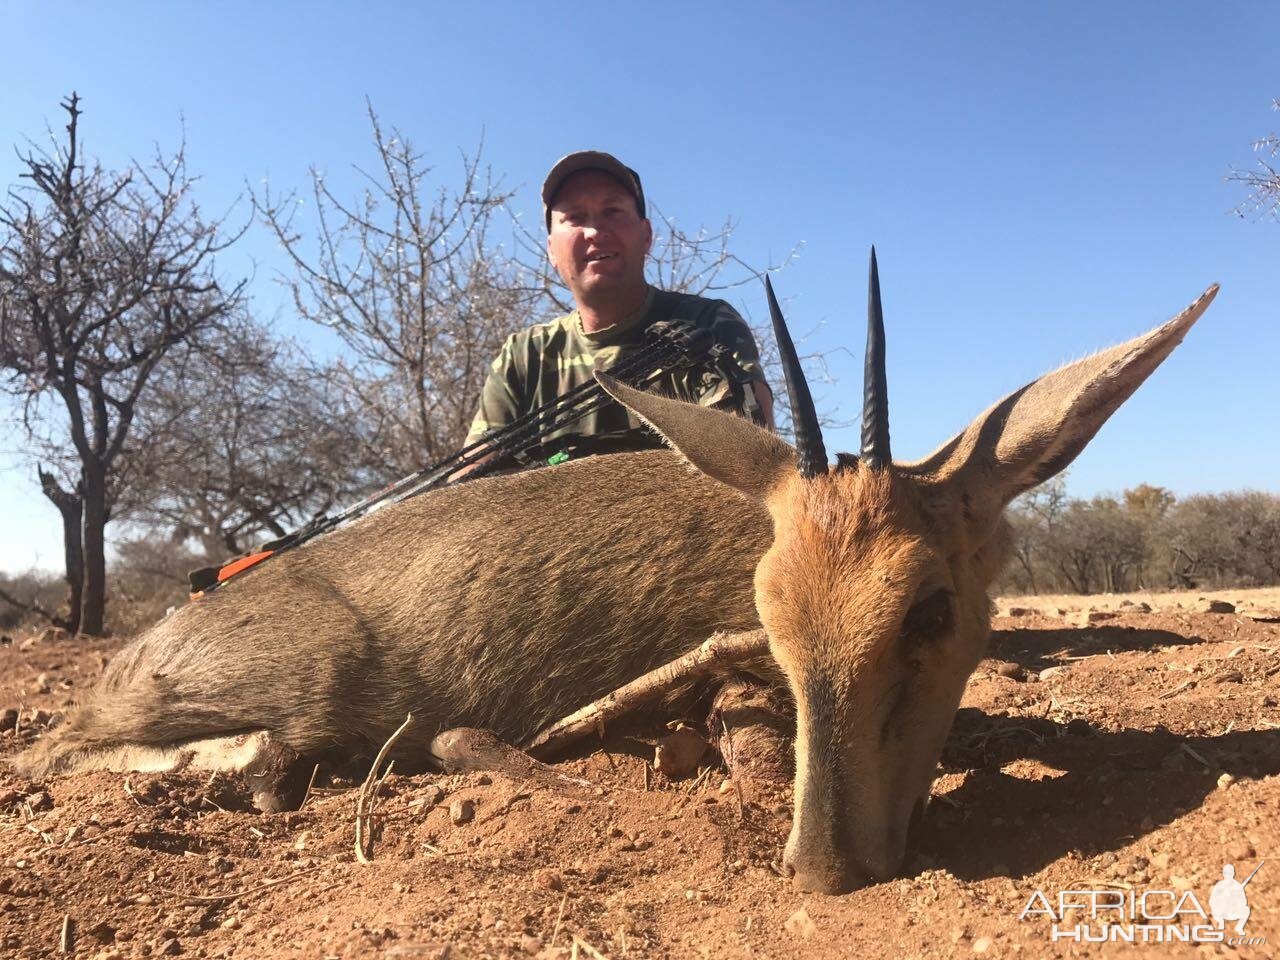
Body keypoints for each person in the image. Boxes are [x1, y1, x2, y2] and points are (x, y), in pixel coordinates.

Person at [464, 150, 774, 466]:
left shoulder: (707, 325)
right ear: (551, 251)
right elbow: (470, 490)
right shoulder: (523, 355)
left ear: (647, 235)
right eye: (574, 217)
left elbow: (749, 463)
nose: (596, 232)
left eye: (612, 211)